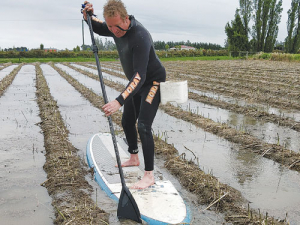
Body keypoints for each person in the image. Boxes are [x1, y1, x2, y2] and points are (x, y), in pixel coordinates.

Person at [82, 0, 166, 189]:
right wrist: (88, 14)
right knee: (127, 121)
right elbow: (96, 26)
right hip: (136, 84)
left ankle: (149, 175)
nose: (113, 31)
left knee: (143, 125)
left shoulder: (140, 36)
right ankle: (134, 157)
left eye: (116, 26)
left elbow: (139, 76)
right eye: (110, 26)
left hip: (152, 82)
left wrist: (119, 101)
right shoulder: (114, 27)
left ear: (126, 19)